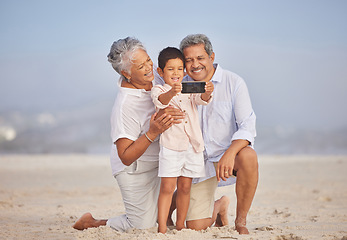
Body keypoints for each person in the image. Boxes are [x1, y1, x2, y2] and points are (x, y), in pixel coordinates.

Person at [73, 37, 173, 231]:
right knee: (142, 227)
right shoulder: (124, 107)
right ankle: (91, 222)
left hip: (160, 161)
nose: (148, 67)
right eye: (141, 66)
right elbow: (125, 156)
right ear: (127, 73)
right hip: (134, 170)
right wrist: (153, 132)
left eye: (148, 60)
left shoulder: (156, 80)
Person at [171, 34, 259, 235]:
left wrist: (230, 153)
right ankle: (219, 206)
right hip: (195, 164)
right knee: (196, 226)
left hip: (225, 158)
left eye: (200, 58)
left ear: (211, 56)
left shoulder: (233, 82)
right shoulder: (178, 85)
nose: (195, 65)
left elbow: (247, 125)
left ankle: (240, 221)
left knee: (248, 155)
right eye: (189, 60)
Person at [151, 47, 214, 233]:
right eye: (170, 69)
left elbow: (201, 99)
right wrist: (172, 92)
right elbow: (160, 101)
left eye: (180, 69)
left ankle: (180, 226)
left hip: (192, 146)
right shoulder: (159, 89)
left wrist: (208, 91)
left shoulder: (189, 87)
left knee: (185, 187)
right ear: (160, 71)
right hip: (171, 147)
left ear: (184, 71)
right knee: (168, 187)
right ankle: (162, 227)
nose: (176, 73)